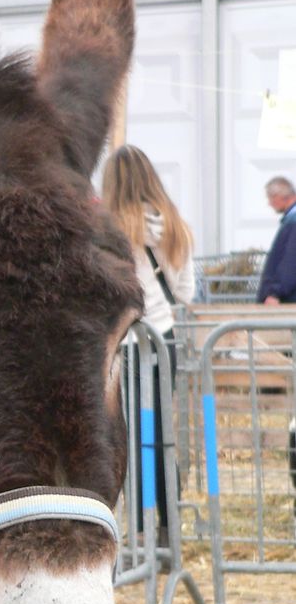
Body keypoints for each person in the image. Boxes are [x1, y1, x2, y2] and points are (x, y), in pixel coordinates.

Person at [101, 144, 195, 535]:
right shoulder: (174, 226)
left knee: (125, 433)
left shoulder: (108, 231)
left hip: (125, 345)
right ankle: (166, 527)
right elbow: (186, 292)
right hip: (164, 339)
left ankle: (134, 526)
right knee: (160, 433)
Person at [256, 176, 296, 304]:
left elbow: (291, 261)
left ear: (280, 196)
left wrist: (275, 292)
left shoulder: (293, 221)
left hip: (287, 300)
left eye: (271, 197)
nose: (270, 203)